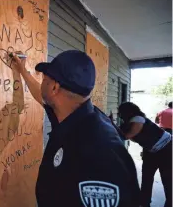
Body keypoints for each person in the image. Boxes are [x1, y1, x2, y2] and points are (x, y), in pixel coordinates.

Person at [11, 50, 140, 207]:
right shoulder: (70, 113)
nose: (42, 81)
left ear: (54, 88)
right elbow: (41, 93)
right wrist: (22, 70)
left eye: (45, 78)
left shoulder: (101, 150)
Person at [117, 102, 172, 207]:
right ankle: (144, 203)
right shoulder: (131, 122)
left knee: (167, 178)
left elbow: (128, 135)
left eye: (120, 112)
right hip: (151, 151)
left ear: (127, 112)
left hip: (167, 149)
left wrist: (113, 128)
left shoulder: (138, 119)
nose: (119, 114)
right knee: (147, 178)